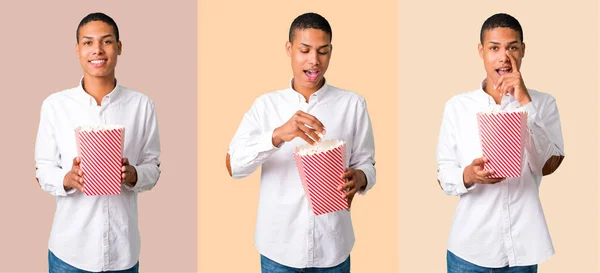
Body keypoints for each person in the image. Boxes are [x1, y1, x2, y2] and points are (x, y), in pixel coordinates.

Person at [226, 12, 376, 272]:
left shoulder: (353, 104)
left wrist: (360, 178)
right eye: (304, 50)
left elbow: (367, 164)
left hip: (334, 247)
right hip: (278, 250)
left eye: (323, 51)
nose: (314, 61)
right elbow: (234, 166)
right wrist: (277, 135)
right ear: (289, 48)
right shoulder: (266, 106)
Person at [436, 13, 565, 272]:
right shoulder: (457, 106)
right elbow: (443, 174)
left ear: (523, 50)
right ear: (481, 51)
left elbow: (548, 165)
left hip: (523, 248)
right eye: (494, 48)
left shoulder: (544, 103)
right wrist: (469, 175)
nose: (504, 57)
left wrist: (525, 101)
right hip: (469, 250)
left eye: (512, 47)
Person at [35, 12, 161, 273]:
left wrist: (134, 174)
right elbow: (43, 169)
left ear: (119, 47)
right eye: (88, 42)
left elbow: (153, 167)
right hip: (70, 253)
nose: (98, 50)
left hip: (122, 252)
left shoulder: (141, 105)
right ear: (77, 49)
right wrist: (67, 179)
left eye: (106, 41)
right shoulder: (55, 106)